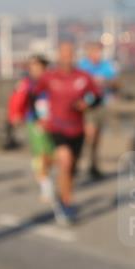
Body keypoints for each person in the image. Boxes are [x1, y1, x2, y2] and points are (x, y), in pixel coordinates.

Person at [29, 41, 101, 225]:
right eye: (64, 54)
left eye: (70, 54)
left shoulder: (83, 77)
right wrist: (39, 118)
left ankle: (63, 196)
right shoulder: (50, 77)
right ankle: (67, 205)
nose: (67, 58)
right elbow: (33, 95)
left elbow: (97, 97)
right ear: (58, 56)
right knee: (65, 161)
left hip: (76, 128)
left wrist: (87, 104)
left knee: (71, 169)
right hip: (57, 127)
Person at [9, 55, 54, 201]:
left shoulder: (52, 81)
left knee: (52, 155)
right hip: (34, 122)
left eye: (37, 66)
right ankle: (45, 185)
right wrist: (15, 115)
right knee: (40, 155)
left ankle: (45, 175)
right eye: (31, 67)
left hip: (53, 122)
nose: (34, 70)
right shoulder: (26, 84)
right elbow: (16, 100)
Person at [78, 41, 119, 180]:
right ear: (89, 52)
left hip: (101, 104)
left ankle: (93, 164)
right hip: (88, 105)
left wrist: (105, 82)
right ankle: (83, 162)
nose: (97, 55)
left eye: (98, 52)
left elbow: (116, 82)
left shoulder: (106, 65)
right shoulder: (82, 66)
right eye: (94, 52)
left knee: (97, 137)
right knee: (90, 134)